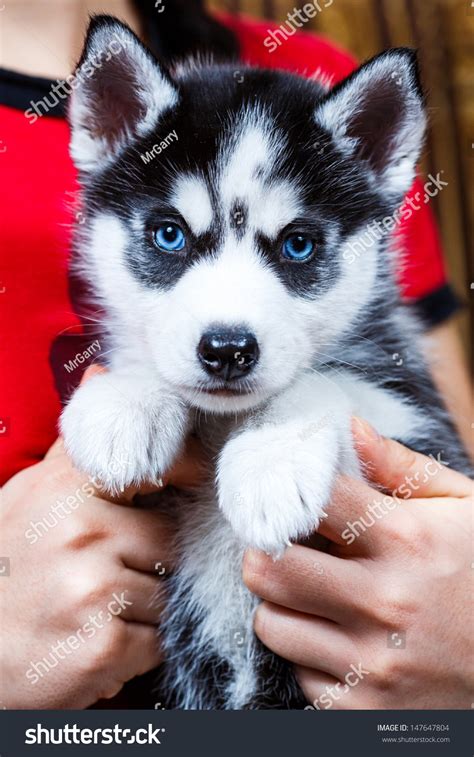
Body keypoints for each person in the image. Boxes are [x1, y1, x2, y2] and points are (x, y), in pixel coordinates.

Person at [0, 0, 472, 709]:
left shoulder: (318, 77)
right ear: (106, 123)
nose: (228, 325)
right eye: (169, 235)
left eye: (299, 244)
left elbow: (443, 484)